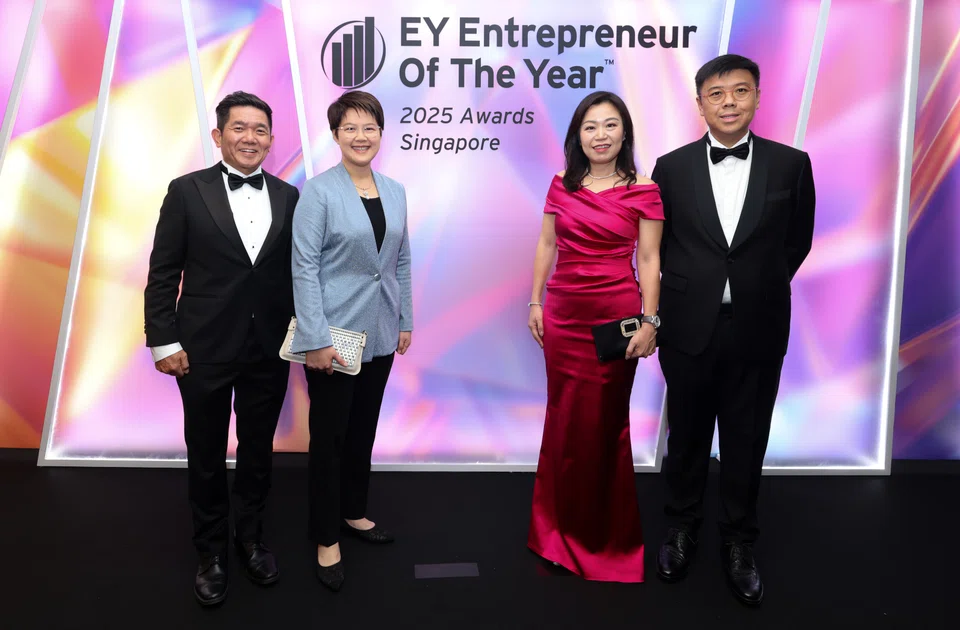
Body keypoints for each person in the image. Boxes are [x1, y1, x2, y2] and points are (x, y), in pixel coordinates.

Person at [650, 54, 816, 605]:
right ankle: (680, 528)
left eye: (739, 91)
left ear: (758, 97)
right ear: (699, 104)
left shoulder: (792, 164)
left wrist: (755, 286)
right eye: (716, 94)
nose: (728, 102)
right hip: (686, 327)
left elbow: (797, 243)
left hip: (758, 326)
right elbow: (659, 245)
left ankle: (740, 541)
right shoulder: (669, 167)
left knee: (747, 441)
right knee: (688, 437)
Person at [144, 91, 299, 606]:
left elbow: (296, 276)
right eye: (239, 128)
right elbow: (164, 272)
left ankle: (250, 538)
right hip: (202, 349)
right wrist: (163, 339)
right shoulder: (186, 191)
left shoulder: (289, 197)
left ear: (271, 140)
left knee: (258, 452)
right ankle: (209, 550)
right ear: (218, 135)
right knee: (206, 454)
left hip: (269, 351)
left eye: (260, 130)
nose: (250, 137)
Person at [526, 91, 664, 582]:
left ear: (624, 132)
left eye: (610, 125)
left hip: (614, 319)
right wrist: (536, 301)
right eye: (590, 126)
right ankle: (553, 530)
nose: (600, 135)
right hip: (563, 315)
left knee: (605, 424)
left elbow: (649, 261)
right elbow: (546, 244)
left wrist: (651, 321)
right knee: (563, 418)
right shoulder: (560, 185)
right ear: (577, 135)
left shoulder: (645, 189)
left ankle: (605, 538)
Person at [291, 90, 413, 592]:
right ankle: (325, 535)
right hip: (334, 337)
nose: (361, 137)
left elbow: (400, 259)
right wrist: (315, 338)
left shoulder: (396, 189)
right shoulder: (318, 192)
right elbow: (303, 267)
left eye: (370, 128)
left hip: (381, 332)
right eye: (351, 128)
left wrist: (405, 318)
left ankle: (353, 512)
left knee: (362, 431)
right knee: (331, 438)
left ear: (381, 135)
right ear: (336, 135)